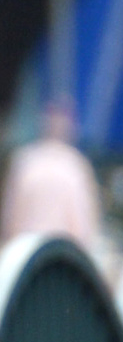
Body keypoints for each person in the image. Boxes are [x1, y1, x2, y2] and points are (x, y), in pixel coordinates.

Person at [5, 93, 109, 260]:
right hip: (57, 257)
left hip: (31, 255)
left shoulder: (27, 160)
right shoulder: (75, 165)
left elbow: (11, 219)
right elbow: (84, 224)